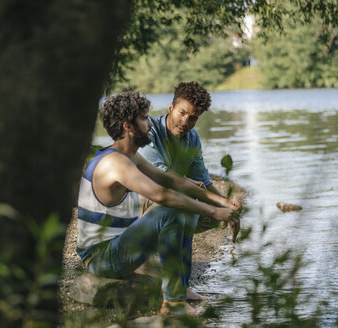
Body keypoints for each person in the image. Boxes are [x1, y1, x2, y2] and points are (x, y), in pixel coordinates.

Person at [76, 91, 240, 316]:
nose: (150, 124)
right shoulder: (115, 163)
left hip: (119, 246)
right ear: (128, 126)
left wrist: (220, 203)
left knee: (186, 207)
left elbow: (172, 181)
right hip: (101, 258)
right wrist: (213, 211)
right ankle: (172, 303)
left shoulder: (130, 157)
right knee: (171, 210)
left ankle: (180, 289)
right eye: (144, 119)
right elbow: (162, 194)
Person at [138, 81, 240, 238]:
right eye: (182, 113)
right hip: (139, 202)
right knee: (187, 196)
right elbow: (164, 178)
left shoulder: (192, 137)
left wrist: (226, 206)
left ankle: (169, 242)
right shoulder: (148, 129)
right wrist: (220, 203)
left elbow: (204, 181)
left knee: (211, 213)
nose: (186, 122)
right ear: (171, 108)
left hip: (169, 199)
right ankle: (144, 238)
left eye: (193, 118)